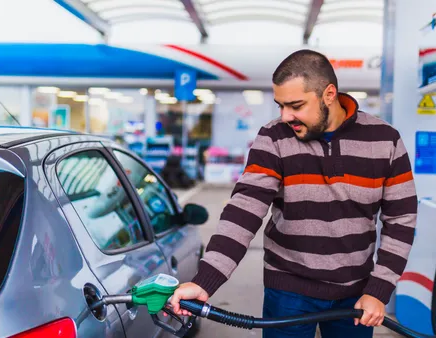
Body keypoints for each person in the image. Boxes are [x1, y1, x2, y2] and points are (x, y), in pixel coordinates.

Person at [169, 49, 418, 338]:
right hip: (288, 291)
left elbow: (401, 219)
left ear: (328, 94)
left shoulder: (384, 139)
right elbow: (243, 212)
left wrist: (380, 288)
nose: (285, 116)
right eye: (280, 105)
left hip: (356, 292)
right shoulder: (274, 137)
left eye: (295, 105)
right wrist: (205, 281)